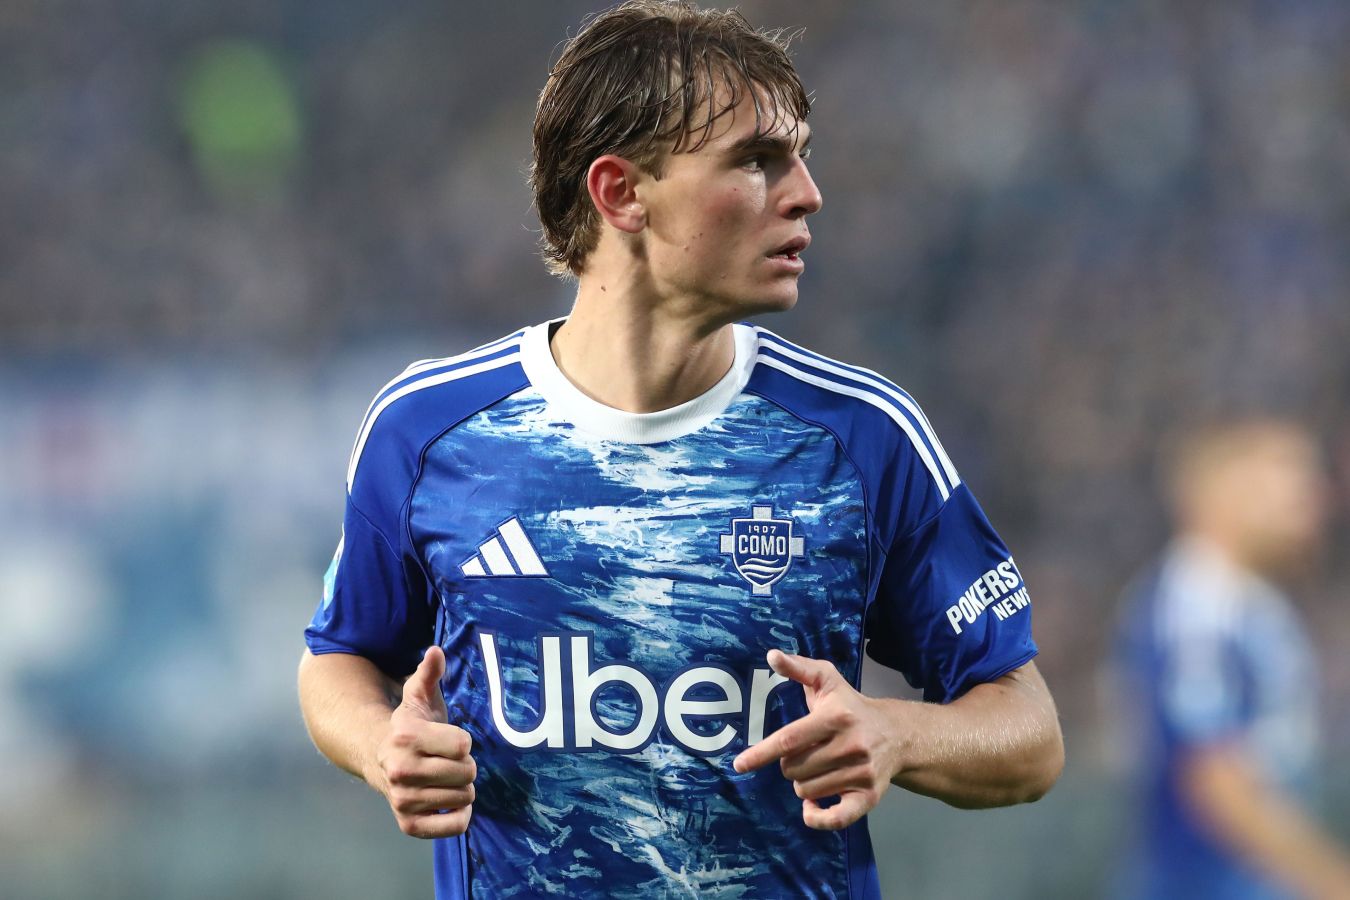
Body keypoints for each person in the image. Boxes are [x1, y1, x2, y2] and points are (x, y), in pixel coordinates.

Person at [298, 2, 1064, 896]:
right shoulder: (429, 432)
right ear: (622, 193)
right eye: (756, 160)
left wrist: (900, 734)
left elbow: (1030, 731)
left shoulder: (864, 437)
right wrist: (381, 746)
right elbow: (338, 657)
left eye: (800, 156)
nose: (807, 193)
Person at [1112, 419, 1350, 899]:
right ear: (1220, 490)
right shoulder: (1194, 602)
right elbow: (1214, 778)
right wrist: (1330, 883)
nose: (1312, 491)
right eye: (1286, 469)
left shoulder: (1250, 600)